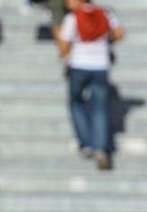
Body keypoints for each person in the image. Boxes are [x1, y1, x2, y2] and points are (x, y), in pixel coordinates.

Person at [57, 0, 124, 170]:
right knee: (100, 109)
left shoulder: (72, 18)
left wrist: (65, 58)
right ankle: (101, 148)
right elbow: (119, 33)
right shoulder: (106, 13)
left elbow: (64, 45)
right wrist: (105, 43)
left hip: (79, 65)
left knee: (75, 102)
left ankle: (86, 142)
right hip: (101, 66)